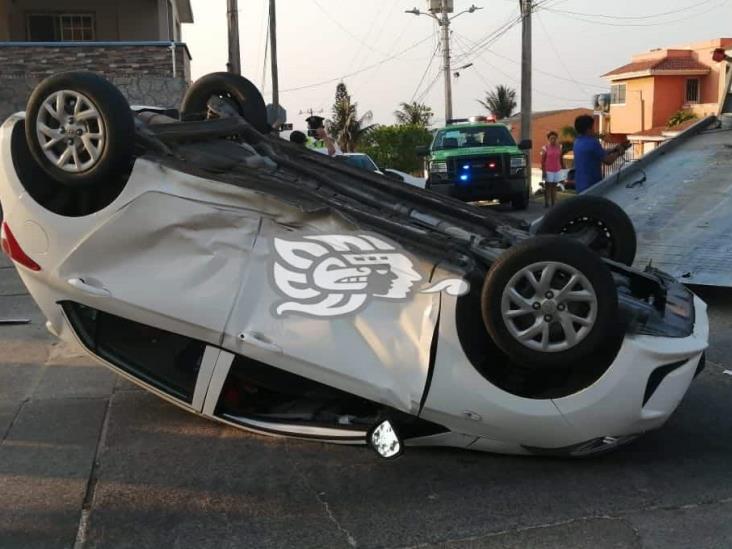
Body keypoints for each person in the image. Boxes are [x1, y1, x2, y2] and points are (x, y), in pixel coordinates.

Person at [572, 114, 629, 193]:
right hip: (592, 186)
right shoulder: (592, 142)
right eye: (593, 127)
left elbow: (597, 152)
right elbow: (608, 161)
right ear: (589, 129)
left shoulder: (577, 142)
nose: (594, 130)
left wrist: (614, 149)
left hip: (580, 186)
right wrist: (619, 152)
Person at [540, 131, 563, 208]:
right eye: (551, 138)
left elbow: (560, 158)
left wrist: (563, 169)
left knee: (554, 187)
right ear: (548, 139)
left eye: (554, 138)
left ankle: (553, 204)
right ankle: (546, 203)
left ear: (557, 139)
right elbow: (542, 161)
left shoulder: (559, 147)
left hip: (557, 170)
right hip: (548, 170)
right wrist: (543, 171)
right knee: (548, 187)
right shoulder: (545, 148)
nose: (553, 140)